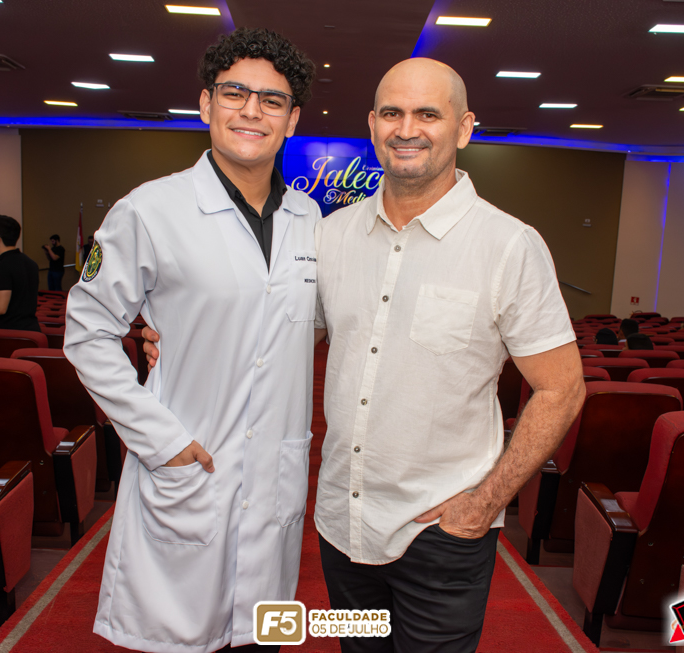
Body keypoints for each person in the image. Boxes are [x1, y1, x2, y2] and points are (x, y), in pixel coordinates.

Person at [143, 57, 585, 652]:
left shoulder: (509, 245)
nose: (408, 129)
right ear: (373, 126)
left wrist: (485, 503)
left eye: (428, 114)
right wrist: (176, 335)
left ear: (463, 128)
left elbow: (562, 388)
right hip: (341, 526)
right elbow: (279, 334)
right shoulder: (331, 235)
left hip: (442, 532)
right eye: (392, 114)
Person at [64, 28, 318, 653]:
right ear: (206, 104)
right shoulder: (150, 210)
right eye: (235, 93)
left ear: (292, 119)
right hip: (188, 464)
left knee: (263, 638)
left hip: (275, 476)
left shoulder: (310, 219)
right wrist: (162, 441)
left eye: (272, 100)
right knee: (176, 640)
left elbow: (304, 323)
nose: (252, 111)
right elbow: (88, 332)